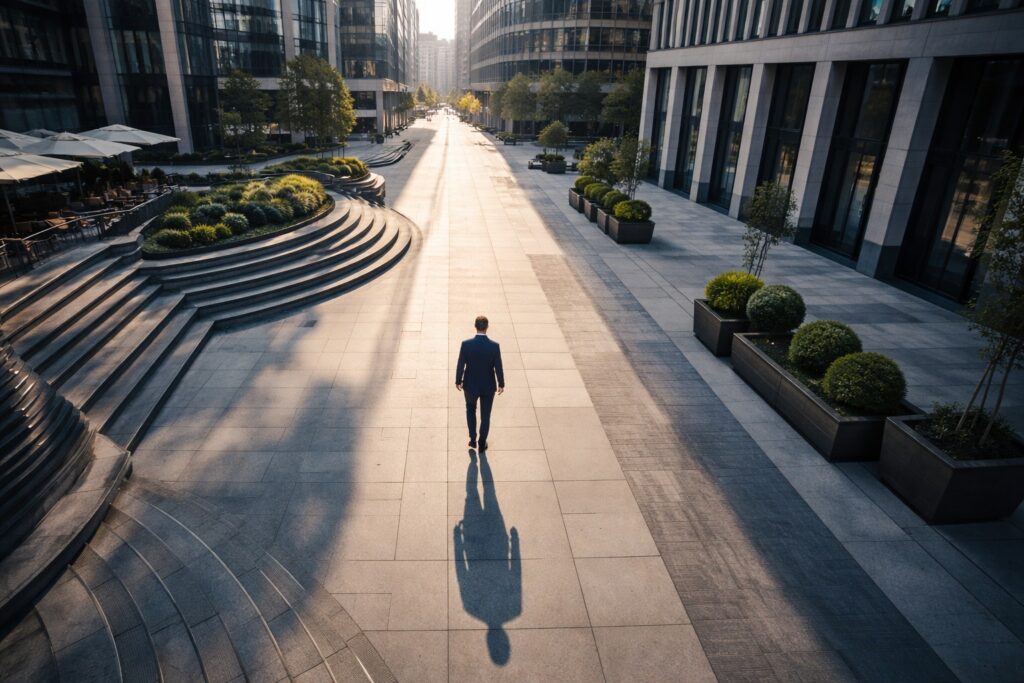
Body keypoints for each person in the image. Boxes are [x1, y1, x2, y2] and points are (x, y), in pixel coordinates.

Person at [455, 315, 504, 450]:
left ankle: (472, 439)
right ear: (487, 327)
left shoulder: (466, 345)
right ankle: (482, 442)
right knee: (486, 415)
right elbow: (498, 366)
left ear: (475, 326)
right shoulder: (494, 347)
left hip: (470, 385)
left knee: (470, 409)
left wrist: (458, 380)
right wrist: (501, 383)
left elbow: (461, 364)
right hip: (488, 386)